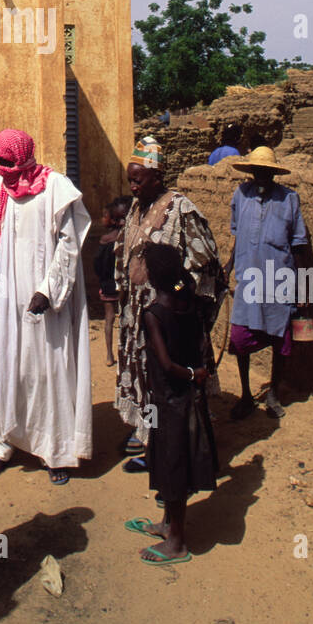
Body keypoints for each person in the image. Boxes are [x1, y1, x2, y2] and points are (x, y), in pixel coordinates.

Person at [0, 128, 92, 486]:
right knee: (4, 369)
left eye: (6, 160)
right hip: (6, 294)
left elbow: (69, 243)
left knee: (46, 370)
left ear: (21, 157)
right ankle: (1, 444)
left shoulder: (55, 186)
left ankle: (55, 450)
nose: (1, 167)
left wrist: (49, 290)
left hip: (43, 299)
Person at [115, 137, 225, 471]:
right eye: (130, 179)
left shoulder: (181, 209)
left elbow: (205, 263)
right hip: (140, 318)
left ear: (157, 178)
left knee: (168, 382)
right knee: (146, 379)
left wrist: (178, 299)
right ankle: (151, 441)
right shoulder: (138, 207)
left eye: (139, 180)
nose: (133, 186)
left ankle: (170, 453)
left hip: (168, 320)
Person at [132, 242, 218, 565]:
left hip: (169, 397)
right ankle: (168, 524)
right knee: (168, 458)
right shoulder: (187, 300)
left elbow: (166, 364)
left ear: (154, 277)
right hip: (177, 398)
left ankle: (177, 542)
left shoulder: (154, 314)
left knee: (174, 465)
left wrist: (192, 373)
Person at [226, 145, 311, 421]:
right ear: (251, 172)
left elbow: (299, 245)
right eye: (257, 171)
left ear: (273, 174)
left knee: (279, 339)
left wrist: (303, 287)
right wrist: (228, 267)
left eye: (266, 171)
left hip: (278, 280)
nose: (261, 175)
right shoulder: (241, 195)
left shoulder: (289, 200)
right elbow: (237, 234)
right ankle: (246, 395)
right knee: (239, 339)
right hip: (248, 279)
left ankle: (273, 393)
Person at [94, 197, 131, 368]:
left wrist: (101, 279)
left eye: (104, 216)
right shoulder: (126, 238)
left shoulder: (105, 240)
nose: (102, 219)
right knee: (126, 317)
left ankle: (109, 355)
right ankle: (126, 354)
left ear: (113, 219)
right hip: (123, 283)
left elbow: (98, 264)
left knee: (109, 319)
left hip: (108, 284)